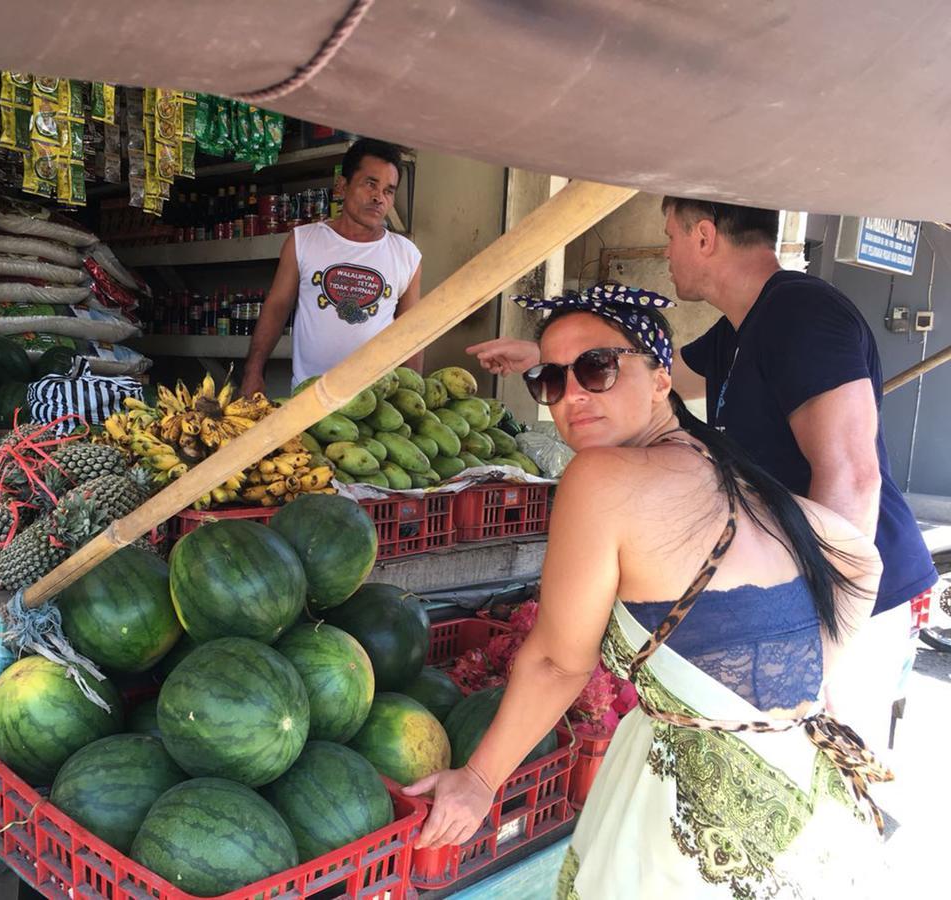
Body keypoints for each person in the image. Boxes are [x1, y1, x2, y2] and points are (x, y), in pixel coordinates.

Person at [408, 285, 888, 898]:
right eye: (550, 381)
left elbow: (559, 661)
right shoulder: (734, 475)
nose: (571, 395)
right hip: (813, 803)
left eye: (596, 368)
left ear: (662, 379)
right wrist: (797, 701)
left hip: (693, 832)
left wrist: (477, 779)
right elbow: (857, 560)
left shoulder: (600, 476)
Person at [468, 200, 937, 749]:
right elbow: (656, 369)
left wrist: (816, 639)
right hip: (779, 604)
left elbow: (853, 477)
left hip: (844, 598)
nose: (665, 253)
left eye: (670, 236)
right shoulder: (739, 328)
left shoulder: (802, 313)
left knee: (814, 788)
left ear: (705, 237)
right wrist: (552, 359)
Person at [240, 138, 422, 395]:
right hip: (309, 399)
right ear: (342, 185)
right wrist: (253, 370)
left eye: (388, 190)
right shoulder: (303, 241)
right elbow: (277, 306)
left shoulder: (407, 255)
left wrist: (413, 398)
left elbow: (411, 331)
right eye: (371, 184)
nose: (378, 198)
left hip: (378, 403)